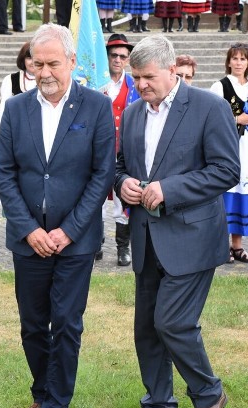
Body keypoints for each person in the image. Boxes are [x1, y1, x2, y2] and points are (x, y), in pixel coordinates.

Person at [0, 24, 114, 408]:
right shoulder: (15, 108)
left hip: (75, 240)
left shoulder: (96, 108)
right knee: (32, 322)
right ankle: (41, 392)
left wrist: (68, 230)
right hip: (28, 241)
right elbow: (5, 174)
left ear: (72, 63)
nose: (44, 72)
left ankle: (56, 407)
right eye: (37, 64)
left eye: (52, 64)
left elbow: (102, 175)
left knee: (65, 322)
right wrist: (29, 230)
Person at [114, 34, 239, 408]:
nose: (141, 84)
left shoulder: (209, 107)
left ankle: (208, 393)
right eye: (136, 77)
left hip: (192, 238)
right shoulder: (133, 114)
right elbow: (119, 166)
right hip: (146, 237)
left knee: (172, 322)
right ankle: (157, 405)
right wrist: (123, 184)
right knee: (147, 327)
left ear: (172, 70)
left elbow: (226, 170)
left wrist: (171, 189)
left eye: (148, 76)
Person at [210, 43, 248, 263]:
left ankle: (237, 246)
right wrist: (236, 119)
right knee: (227, 193)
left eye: (243, 59)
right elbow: (213, 119)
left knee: (243, 193)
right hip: (228, 147)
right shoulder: (220, 86)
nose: (238, 63)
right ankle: (220, 245)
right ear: (229, 61)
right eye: (235, 58)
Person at [101, 33, 140, 266]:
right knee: (93, 198)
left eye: (122, 56)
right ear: (106, 56)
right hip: (97, 152)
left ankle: (122, 248)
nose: (118, 59)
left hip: (123, 152)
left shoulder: (134, 85)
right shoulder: (96, 84)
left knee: (121, 201)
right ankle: (95, 243)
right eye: (114, 55)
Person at [0, 41, 38, 125]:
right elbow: (3, 111)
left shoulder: (47, 79)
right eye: (29, 58)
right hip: (16, 129)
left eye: (36, 58)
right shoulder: (11, 80)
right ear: (23, 59)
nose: (33, 62)